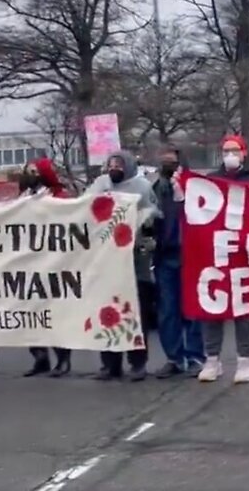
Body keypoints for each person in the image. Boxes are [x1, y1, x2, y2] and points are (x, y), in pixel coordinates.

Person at [198, 134, 249, 384]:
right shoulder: (211, 181)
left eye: (234, 150)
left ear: (244, 153)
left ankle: (244, 360)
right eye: (226, 150)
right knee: (213, 307)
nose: (230, 154)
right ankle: (212, 360)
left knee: (242, 309)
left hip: (244, 252)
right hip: (216, 252)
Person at [87, 152, 159, 382]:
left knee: (135, 314)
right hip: (106, 261)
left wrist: (143, 228)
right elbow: (85, 209)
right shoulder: (100, 185)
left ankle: (138, 363)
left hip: (135, 261)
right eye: (110, 164)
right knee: (107, 313)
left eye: (118, 164)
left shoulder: (142, 187)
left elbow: (153, 215)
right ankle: (110, 364)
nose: (113, 168)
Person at [151, 145, 205, 379]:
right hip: (165, 256)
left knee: (191, 308)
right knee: (168, 311)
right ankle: (174, 357)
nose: (166, 163)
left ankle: (196, 357)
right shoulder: (154, 189)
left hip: (190, 254)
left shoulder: (194, 185)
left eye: (170, 160)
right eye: (163, 160)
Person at [19, 158, 75, 377]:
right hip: (28, 262)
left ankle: (63, 359)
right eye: (27, 171)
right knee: (31, 312)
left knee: (54, 312)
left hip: (53, 262)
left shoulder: (58, 196)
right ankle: (39, 356)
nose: (29, 175)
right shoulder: (23, 198)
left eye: (34, 171)